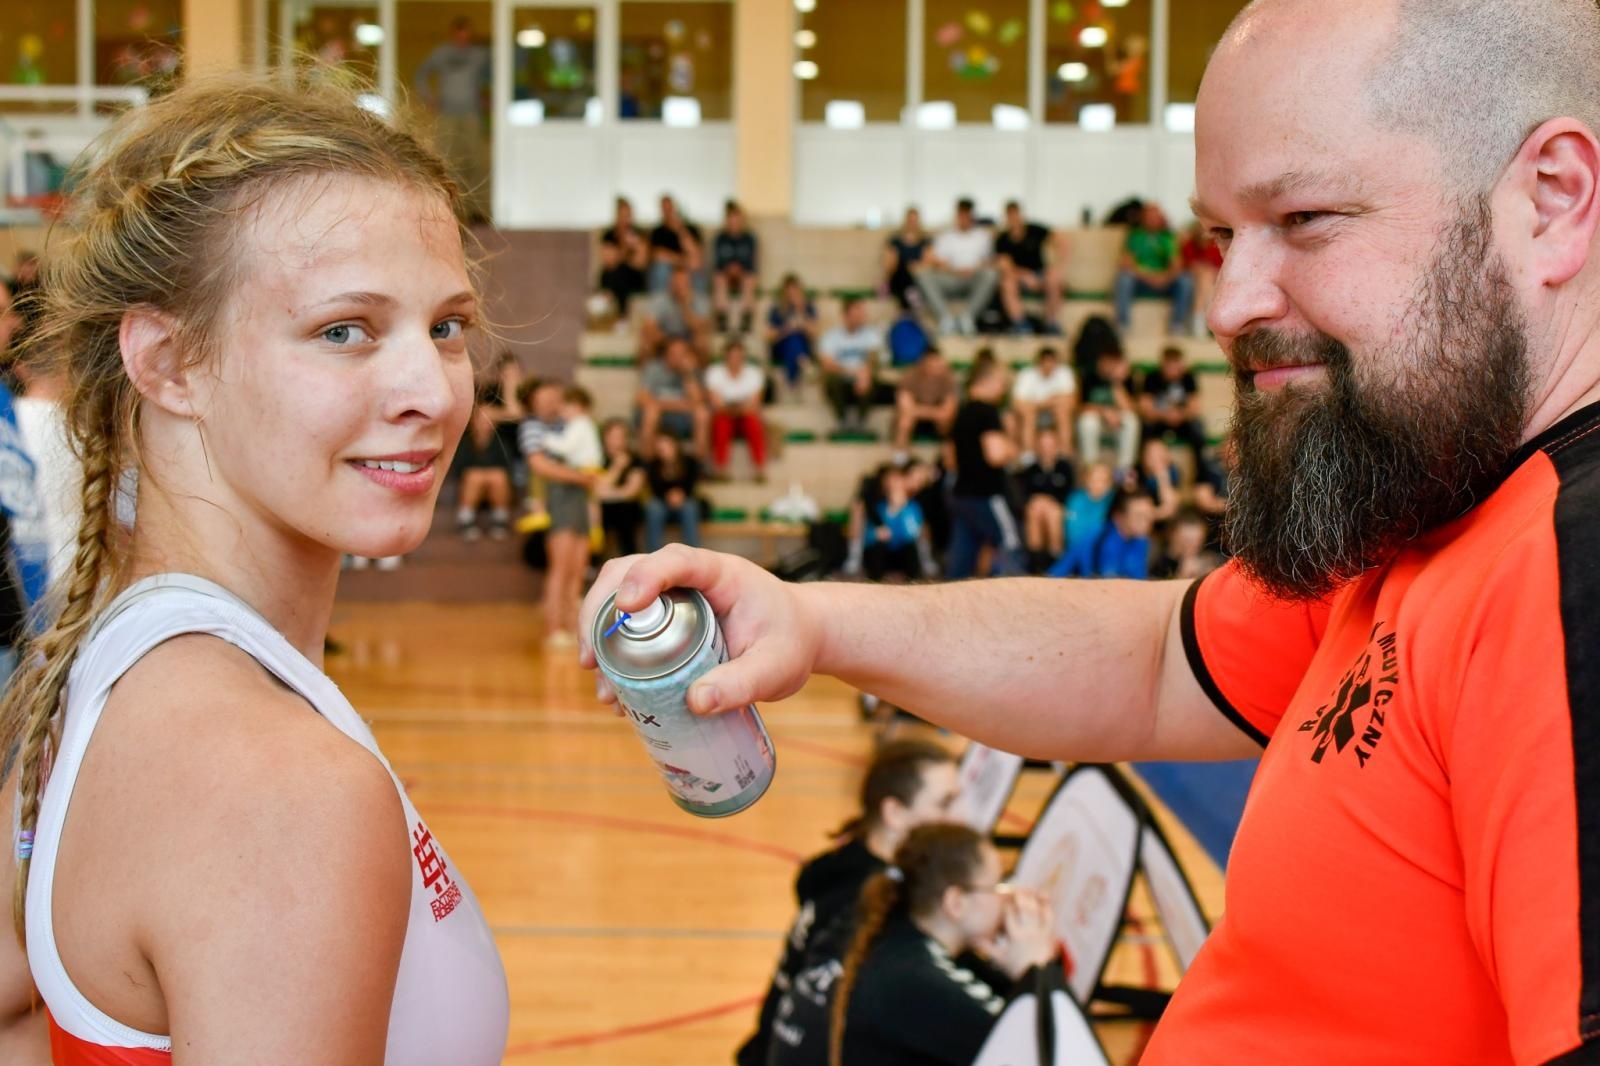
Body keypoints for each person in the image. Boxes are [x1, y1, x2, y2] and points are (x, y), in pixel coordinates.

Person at [581, 1, 1600, 1060]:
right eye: (1218, 235)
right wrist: (812, 621)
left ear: (1551, 200)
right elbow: (1154, 660)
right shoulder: (1438, 494)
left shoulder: (1570, 576)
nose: (1228, 301)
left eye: (1303, 219)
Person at [0, 77, 509, 1064]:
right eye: (343, 329)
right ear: (168, 361)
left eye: (446, 326)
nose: (432, 390)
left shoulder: (70, 685)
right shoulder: (275, 782)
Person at [737, 739, 961, 1066]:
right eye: (945, 804)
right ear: (895, 813)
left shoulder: (850, 863)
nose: (959, 818)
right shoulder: (865, 899)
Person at [767, 824, 1057, 1066]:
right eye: (997, 886)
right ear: (956, 903)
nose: (1007, 898)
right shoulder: (916, 980)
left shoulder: (881, 929)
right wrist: (1036, 968)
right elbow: (1041, 1053)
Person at [523, 380, 594, 649]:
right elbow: (539, 465)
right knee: (561, 568)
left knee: (577, 568)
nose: (553, 402)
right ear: (534, 402)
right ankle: (553, 631)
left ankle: (572, 629)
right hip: (560, 497)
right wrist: (581, 478)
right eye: (546, 398)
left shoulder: (568, 423)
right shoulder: (532, 426)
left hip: (578, 498)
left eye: (556, 397)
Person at [945, 360, 1021, 579]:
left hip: (961, 494)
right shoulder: (988, 412)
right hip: (985, 494)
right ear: (989, 381)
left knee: (961, 558)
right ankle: (1012, 603)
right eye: (1002, 384)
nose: (1003, 390)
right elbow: (995, 455)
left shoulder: (960, 413)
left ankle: (948, 605)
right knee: (1010, 542)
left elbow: (950, 459)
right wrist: (1012, 444)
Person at [412, 16, 491, 222]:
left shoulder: (479, 54)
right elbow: (421, 74)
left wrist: (488, 97)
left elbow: (496, 74)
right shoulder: (442, 53)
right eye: (460, 33)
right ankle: (451, 209)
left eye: (467, 34)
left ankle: (476, 211)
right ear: (453, 33)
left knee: (475, 161)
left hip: (471, 113)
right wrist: (428, 98)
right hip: (447, 114)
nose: (463, 38)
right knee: (447, 161)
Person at [916, 198, 998, 337]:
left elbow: (990, 261)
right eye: (961, 215)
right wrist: (953, 270)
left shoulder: (983, 236)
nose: (964, 219)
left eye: (967, 215)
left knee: (991, 274)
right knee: (923, 274)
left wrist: (973, 269)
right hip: (951, 277)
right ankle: (945, 318)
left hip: (973, 277)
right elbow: (935, 262)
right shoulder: (945, 237)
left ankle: (967, 317)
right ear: (956, 215)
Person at [1113, 203, 1195, 337]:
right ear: (1143, 218)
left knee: (1185, 280)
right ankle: (1123, 325)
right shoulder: (1135, 236)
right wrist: (1149, 277)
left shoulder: (1168, 237)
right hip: (1141, 281)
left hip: (1164, 282)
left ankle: (1177, 325)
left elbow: (1177, 265)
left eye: (1156, 216)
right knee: (1124, 278)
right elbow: (1126, 264)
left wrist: (1164, 278)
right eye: (1149, 216)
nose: (1153, 219)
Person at [453, 387, 515, 541]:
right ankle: (466, 520)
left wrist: (487, 475)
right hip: (471, 483)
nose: (484, 423)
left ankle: (500, 520)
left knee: (498, 477)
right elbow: (459, 468)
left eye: (488, 419)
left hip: (497, 483)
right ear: (473, 421)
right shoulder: (465, 441)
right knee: (475, 477)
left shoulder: (501, 441)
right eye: (481, 419)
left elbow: (507, 467)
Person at [994, 200, 1064, 334]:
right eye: (1010, 216)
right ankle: (1021, 324)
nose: (1014, 219)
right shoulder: (1002, 239)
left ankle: (1051, 323)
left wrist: (1057, 266)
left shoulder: (1035, 230)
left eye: (1016, 215)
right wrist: (1024, 276)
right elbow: (1006, 266)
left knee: (1055, 280)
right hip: (1019, 276)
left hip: (1040, 273)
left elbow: (1061, 240)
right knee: (1007, 284)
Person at [817, 299, 885, 430]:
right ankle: (842, 420)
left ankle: (862, 420)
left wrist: (865, 374)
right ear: (846, 315)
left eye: (862, 314)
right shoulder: (831, 336)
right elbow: (827, 363)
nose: (860, 318)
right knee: (831, 380)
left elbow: (873, 359)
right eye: (856, 314)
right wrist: (851, 371)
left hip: (862, 378)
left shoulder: (871, 334)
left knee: (871, 380)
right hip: (841, 378)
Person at [704, 338, 767, 479]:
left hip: (745, 415)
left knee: (754, 422)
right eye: (732, 356)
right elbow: (715, 402)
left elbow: (755, 403)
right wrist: (734, 409)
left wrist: (737, 409)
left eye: (739, 356)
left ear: (744, 357)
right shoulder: (714, 372)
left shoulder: (754, 373)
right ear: (725, 356)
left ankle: (760, 468)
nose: (735, 360)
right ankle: (721, 470)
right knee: (721, 423)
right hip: (724, 414)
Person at [1015, 427, 1075, 572]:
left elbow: (1069, 494)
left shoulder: (1065, 468)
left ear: (1057, 445)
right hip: (1036, 510)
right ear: (1037, 446)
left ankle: (1050, 561)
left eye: (1050, 444)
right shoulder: (1030, 470)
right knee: (1036, 509)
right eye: (1043, 444)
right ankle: (1039, 562)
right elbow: (1024, 496)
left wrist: (1047, 502)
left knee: (1051, 512)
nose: (1047, 449)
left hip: (1057, 510)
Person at [635, 337, 708, 456]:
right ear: (666, 354)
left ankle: (698, 465)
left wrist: (688, 374)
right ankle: (646, 463)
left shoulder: (693, 372)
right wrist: (681, 405)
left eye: (682, 354)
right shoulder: (653, 369)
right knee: (651, 411)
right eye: (674, 353)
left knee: (702, 413)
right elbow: (642, 398)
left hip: (682, 418)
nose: (678, 358)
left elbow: (697, 401)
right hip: (659, 415)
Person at [1076, 348, 1140, 472]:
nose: (1109, 366)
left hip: (1117, 421)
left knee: (1131, 421)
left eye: (1113, 363)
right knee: (1088, 421)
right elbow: (1079, 407)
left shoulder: (1126, 380)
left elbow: (1130, 408)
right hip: (1096, 419)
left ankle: (1124, 470)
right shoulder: (1089, 378)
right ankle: (1090, 467)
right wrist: (1104, 412)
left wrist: (1116, 382)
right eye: (1106, 362)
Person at [1048, 460, 1116, 578]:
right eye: (1094, 480)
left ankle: (1055, 574)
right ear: (1086, 480)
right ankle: (1087, 575)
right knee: (1084, 541)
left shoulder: (1113, 500)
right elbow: (1072, 530)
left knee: (1097, 531)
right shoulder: (1075, 499)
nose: (1098, 484)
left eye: (1102, 481)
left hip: (1104, 551)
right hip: (1077, 549)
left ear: (1109, 484)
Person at [863, 465, 929, 583]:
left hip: (902, 553)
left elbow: (912, 533)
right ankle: (875, 583)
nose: (895, 487)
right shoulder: (879, 508)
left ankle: (913, 583)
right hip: (883, 554)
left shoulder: (912, 507)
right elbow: (867, 536)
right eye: (892, 484)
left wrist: (900, 508)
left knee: (911, 549)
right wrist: (875, 534)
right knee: (876, 549)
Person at [1138, 345, 1208, 457]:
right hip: (1159, 421)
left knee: (1197, 427)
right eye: (1169, 365)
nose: (1173, 368)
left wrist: (1179, 415)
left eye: (1176, 364)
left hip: (1182, 421)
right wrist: (1165, 415)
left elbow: (1195, 407)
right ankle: (1141, 469)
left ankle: (1203, 470)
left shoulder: (1188, 378)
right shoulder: (1151, 378)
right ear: (1163, 364)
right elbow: (1145, 408)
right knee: (1144, 429)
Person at [1010, 345, 1077, 459]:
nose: (1048, 365)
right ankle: (1028, 454)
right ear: (1039, 362)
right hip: (1032, 414)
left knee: (1062, 411)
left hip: (1053, 414)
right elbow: (1017, 403)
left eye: (1051, 362)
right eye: (1046, 362)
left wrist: (1038, 404)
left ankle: (1064, 452)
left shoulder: (1065, 373)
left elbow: (1070, 400)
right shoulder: (1027, 375)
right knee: (1028, 414)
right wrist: (1049, 401)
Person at [891, 347, 958, 458]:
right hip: (916, 420)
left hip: (935, 422)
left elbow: (948, 411)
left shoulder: (947, 378)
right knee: (905, 421)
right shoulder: (909, 376)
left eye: (937, 363)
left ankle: (948, 462)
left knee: (948, 422)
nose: (934, 366)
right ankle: (900, 460)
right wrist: (935, 412)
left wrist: (920, 410)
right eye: (931, 363)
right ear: (923, 362)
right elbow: (906, 408)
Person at [595, 419, 647, 558]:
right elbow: (596, 490)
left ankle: (630, 557)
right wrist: (617, 467)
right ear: (605, 438)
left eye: (622, 436)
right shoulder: (596, 458)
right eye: (613, 436)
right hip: (601, 509)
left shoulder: (636, 459)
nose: (618, 441)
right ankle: (593, 559)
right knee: (595, 511)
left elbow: (631, 492)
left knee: (624, 509)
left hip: (626, 508)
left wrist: (608, 494)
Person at [638, 265, 712, 363]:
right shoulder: (659, 300)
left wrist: (685, 306)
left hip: (689, 340)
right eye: (676, 283)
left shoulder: (701, 301)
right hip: (666, 339)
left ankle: (701, 376)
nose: (679, 287)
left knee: (702, 342)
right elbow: (648, 326)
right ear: (670, 284)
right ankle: (646, 376)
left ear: (689, 284)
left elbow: (701, 328)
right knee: (646, 343)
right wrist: (669, 342)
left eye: (683, 283)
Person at [643, 433, 701, 551]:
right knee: (653, 507)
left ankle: (693, 552)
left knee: (690, 507)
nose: (663, 448)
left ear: (675, 445)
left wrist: (680, 494)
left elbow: (691, 483)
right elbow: (655, 488)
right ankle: (653, 553)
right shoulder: (654, 465)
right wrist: (668, 495)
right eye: (660, 446)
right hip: (662, 502)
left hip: (684, 500)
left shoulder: (689, 461)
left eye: (666, 444)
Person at [597, 197, 649, 319]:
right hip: (613, 275)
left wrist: (627, 253)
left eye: (628, 215)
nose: (625, 219)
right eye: (622, 215)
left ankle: (619, 312)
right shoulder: (609, 235)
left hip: (633, 277)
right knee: (616, 272)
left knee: (622, 271)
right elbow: (609, 262)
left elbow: (641, 263)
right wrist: (625, 248)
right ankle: (620, 314)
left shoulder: (639, 233)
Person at [712, 200, 759, 335]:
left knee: (750, 279)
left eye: (737, 219)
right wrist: (729, 269)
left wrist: (739, 269)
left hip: (743, 275)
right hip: (726, 275)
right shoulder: (720, 238)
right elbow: (718, 263)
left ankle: (746, 317)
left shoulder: (749, 238)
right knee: (719, 279)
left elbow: (752, 262)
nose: (734, 223)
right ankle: (722, 317)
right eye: (732, 219)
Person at [767, 273, 818, 392]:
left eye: (795, 290)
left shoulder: (808, 307)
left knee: (795, 339)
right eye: (789, 290)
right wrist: (787, 329)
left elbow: (813, 333)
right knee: (792, 339)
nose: (792, 293)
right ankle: (805, 365)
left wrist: (801, 316)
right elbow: (770, 336)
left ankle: (791, 381)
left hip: (803, 346)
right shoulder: (777, 309)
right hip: (781, 347)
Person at [648, 195, 703, 293]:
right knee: (660, 269)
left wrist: (680, 231)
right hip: (669, 268)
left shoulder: (692, 229)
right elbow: (658, 255)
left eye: (670, 208)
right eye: (664, 209)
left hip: (687, 268)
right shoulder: (657, 232)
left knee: (696, 271)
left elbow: (696, 258)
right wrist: (681, 260)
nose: (668, 213)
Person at [1180, 220, 1224, 337]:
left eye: (1204, 229)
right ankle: (1208, 314)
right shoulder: (1189, 245)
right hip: (1194, 278)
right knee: (1204, 278)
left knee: (1204, 285)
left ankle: (1198, 322)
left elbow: (1220, 266)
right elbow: (1188, 265)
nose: (1202, 232)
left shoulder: (1215, 245)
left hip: (1213, 280)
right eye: (1199, 229)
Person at [882, 207, 930, 311]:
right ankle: (911, 298)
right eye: (910, 220)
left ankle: (908, 302)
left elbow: (928, 263)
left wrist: (916, 267)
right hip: (898, 276)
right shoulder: (894, 241)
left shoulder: (925, 242)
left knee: (911, 276)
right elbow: (888, 266)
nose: (912, 223)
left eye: (914, 221)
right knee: (902, 268)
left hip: (917, 278)